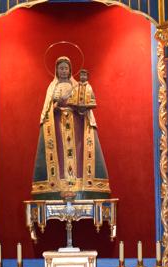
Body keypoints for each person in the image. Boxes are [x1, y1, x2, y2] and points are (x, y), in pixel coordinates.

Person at [32, 57, 110, 200]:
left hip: (76, 126)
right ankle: (58, 188)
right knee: (60, 156)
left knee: (78, 155)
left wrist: (80, 108)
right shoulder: (52, 87)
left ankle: (79, 186)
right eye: (60, 68)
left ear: (70, 70)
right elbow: (47, 109)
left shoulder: (77, 86)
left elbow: (83, 106)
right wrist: (55, 106)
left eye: (66, 68)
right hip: (57, 126)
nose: (63, 71)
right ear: (56, 70)